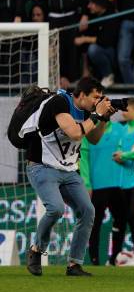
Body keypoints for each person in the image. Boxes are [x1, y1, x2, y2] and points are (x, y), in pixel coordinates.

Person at [23, 77, 115, 277]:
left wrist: (103, 119)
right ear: (81, 94)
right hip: (42, 166)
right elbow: (74, 133)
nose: (97, 101)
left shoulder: (89, 111)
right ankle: (36, 250)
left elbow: (94, 138)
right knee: (55, 209)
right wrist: (96, 115)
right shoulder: (60, 102)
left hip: (68, 170)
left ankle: (74, 264)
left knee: (88, 211)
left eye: (100, 97)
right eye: (95, 97)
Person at [81, 113, 126, 266]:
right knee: (95, 224)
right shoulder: (88, 132)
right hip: (97, 185)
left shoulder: (120, 129)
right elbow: (83, 160)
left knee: (121, 220)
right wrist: (86, 183)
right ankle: (95, 260)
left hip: (118, 184)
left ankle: (114, 258)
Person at [112, 98, 134, 266]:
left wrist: (124, 156)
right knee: (125, 217)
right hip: (124, 180)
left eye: (126, 110)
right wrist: (119, 157)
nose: (123, 112)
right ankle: (130, 254)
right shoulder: (124, 130)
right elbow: (120, 149)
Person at [76, 0, 119, 88]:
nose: (89, 6)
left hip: (111, 54)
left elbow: (105, 40)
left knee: (93, 49)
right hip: (93, 60)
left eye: (92, 3)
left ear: (101, 5)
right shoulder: (91, 15)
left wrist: (85, 39)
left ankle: (108, 75)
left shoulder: (112, 16)